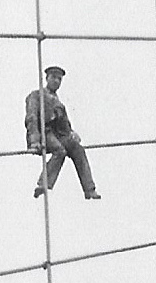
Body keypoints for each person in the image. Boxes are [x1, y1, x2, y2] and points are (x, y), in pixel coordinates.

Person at [25, 66, 100, 199]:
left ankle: (89, 189)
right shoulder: (36, 96)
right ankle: (44, 183)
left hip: (59, 135)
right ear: (47, 78)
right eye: (53, 77)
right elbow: (31, 118)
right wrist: (35, 141)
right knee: (60, 151)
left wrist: (72, 134)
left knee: (77, 149)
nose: (56, 81)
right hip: (44, 133)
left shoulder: (59, 104)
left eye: (59, 79)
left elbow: (65, 125)